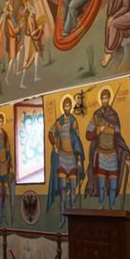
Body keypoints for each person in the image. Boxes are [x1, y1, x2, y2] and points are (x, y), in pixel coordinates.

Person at [85, 88, 130, 209]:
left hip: (112, 155)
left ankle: (112, 206)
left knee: (113, 185)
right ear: (100, 99)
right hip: (100, 154)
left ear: (109, 99)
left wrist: (126, 154)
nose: (104, 100)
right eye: (103, 98)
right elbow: (88, 135)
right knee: (100, 185)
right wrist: (97, 131)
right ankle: (101, 205)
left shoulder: (113, 116)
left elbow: (119, 136)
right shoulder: (96, 116)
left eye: (106, 98)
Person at [47, 96, 84, 228]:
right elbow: (50, 133)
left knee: (73, 188)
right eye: (65, 106)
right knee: (63, 188)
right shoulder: (58, 122)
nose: (67, 108)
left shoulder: (74, 121)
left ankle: (74, 218)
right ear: (63, 107)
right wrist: (54, 145)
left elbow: (77, 140)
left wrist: (79, 159)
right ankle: (62, 216)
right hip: (62, 157)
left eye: (69, 106)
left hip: (72, 158)